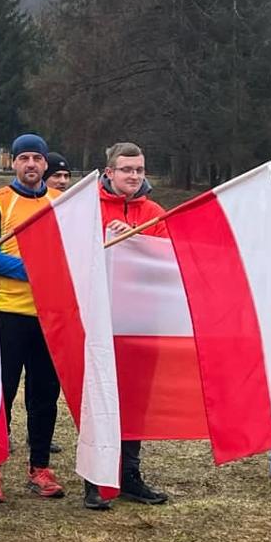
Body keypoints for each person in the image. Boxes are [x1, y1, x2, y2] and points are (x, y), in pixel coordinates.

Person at [0, 133, 66, 504]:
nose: (31, 164)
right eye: (24, 158)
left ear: (46, 164)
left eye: (37, 158)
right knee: (1, 395)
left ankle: (40, 467)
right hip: (7, 313)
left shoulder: (61, 201)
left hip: (50, 316)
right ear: (13, 162)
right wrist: (37, 270)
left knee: (44, 395)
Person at [91, 143, 172, 509]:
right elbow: (76, 253)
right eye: (126, 169)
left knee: (136, 399)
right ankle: (95, 477)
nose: (134, 176)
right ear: (109, 172)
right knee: (100, 397)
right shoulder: (89, 208)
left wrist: (134, 240)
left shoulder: (154, 213)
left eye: (139, 170)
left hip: (141, 320)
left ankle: (129, 475)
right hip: (100, 317)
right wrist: (109, 239)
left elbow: (168, 262)